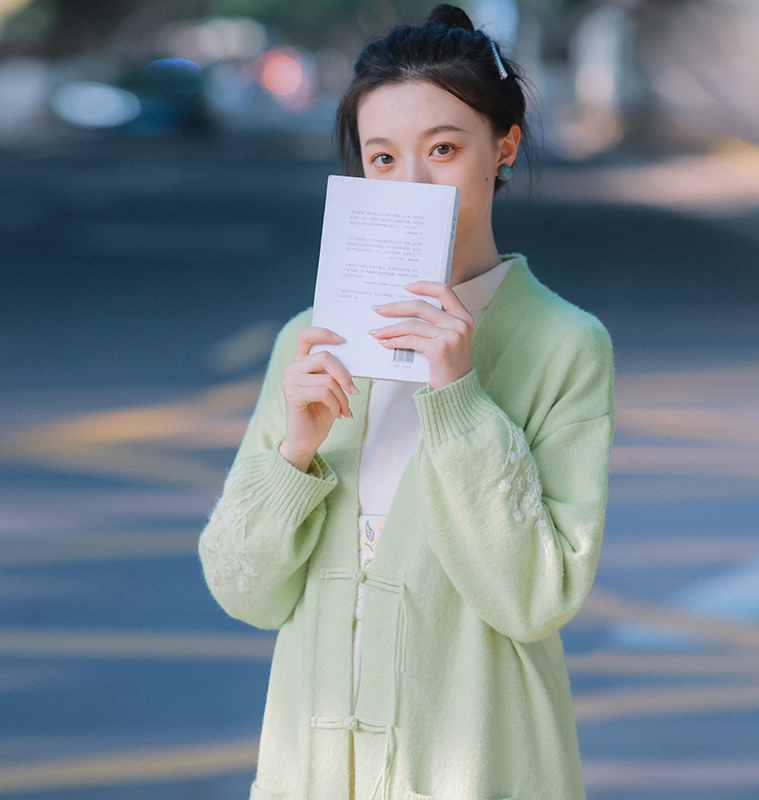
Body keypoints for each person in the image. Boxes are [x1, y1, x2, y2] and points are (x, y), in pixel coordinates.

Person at [199, 5, 614, 799]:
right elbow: (243, 592)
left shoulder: (566, 344)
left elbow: (535, 598)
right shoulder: (310, 341)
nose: (414, 184)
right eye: (383, 158)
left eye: (445, 149)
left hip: (478, 771)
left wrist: (458, 396)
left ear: (505, 147)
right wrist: (294, 456)